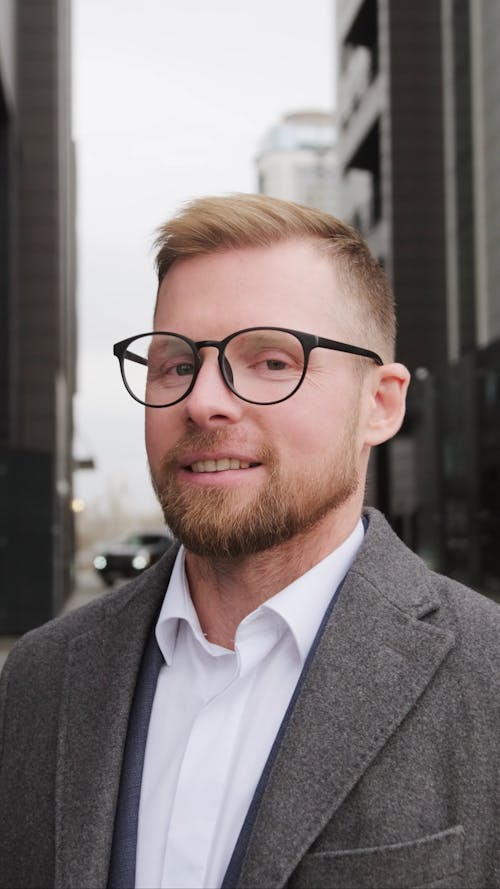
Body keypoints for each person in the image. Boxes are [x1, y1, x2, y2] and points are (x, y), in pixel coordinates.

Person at [1, 194, 500, 889]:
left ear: (380, 403)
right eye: (176, 364)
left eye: (270, 360)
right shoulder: (38, 680)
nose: (203, 399)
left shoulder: (489, 679)